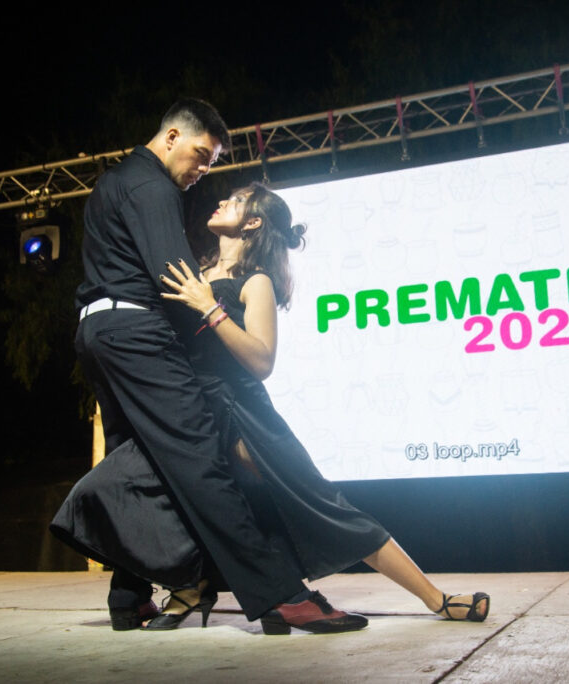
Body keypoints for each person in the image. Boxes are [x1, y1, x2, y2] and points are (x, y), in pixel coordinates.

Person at [57, 180, 490, 633]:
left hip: (242, 415)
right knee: (117, 489)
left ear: (253, 223)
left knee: (322, 504)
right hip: (188, 411)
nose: (221, 201)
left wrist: (209, 307)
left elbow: (262, 361)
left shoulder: (255, 281)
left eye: (236, 201)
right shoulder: (196, 271)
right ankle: (192, 587)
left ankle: (436, 598)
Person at [61, 98, 366, 635]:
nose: (204, 169)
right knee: (201, 457)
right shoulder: (153, 187)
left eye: (212, 161)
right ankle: (281, 595)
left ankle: (128, 597)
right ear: (172, 137)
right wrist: (211, 334)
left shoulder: (112, 182)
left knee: (135, 466)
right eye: (202, 154)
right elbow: (175, 278)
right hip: (138, 338)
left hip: (96, 334)